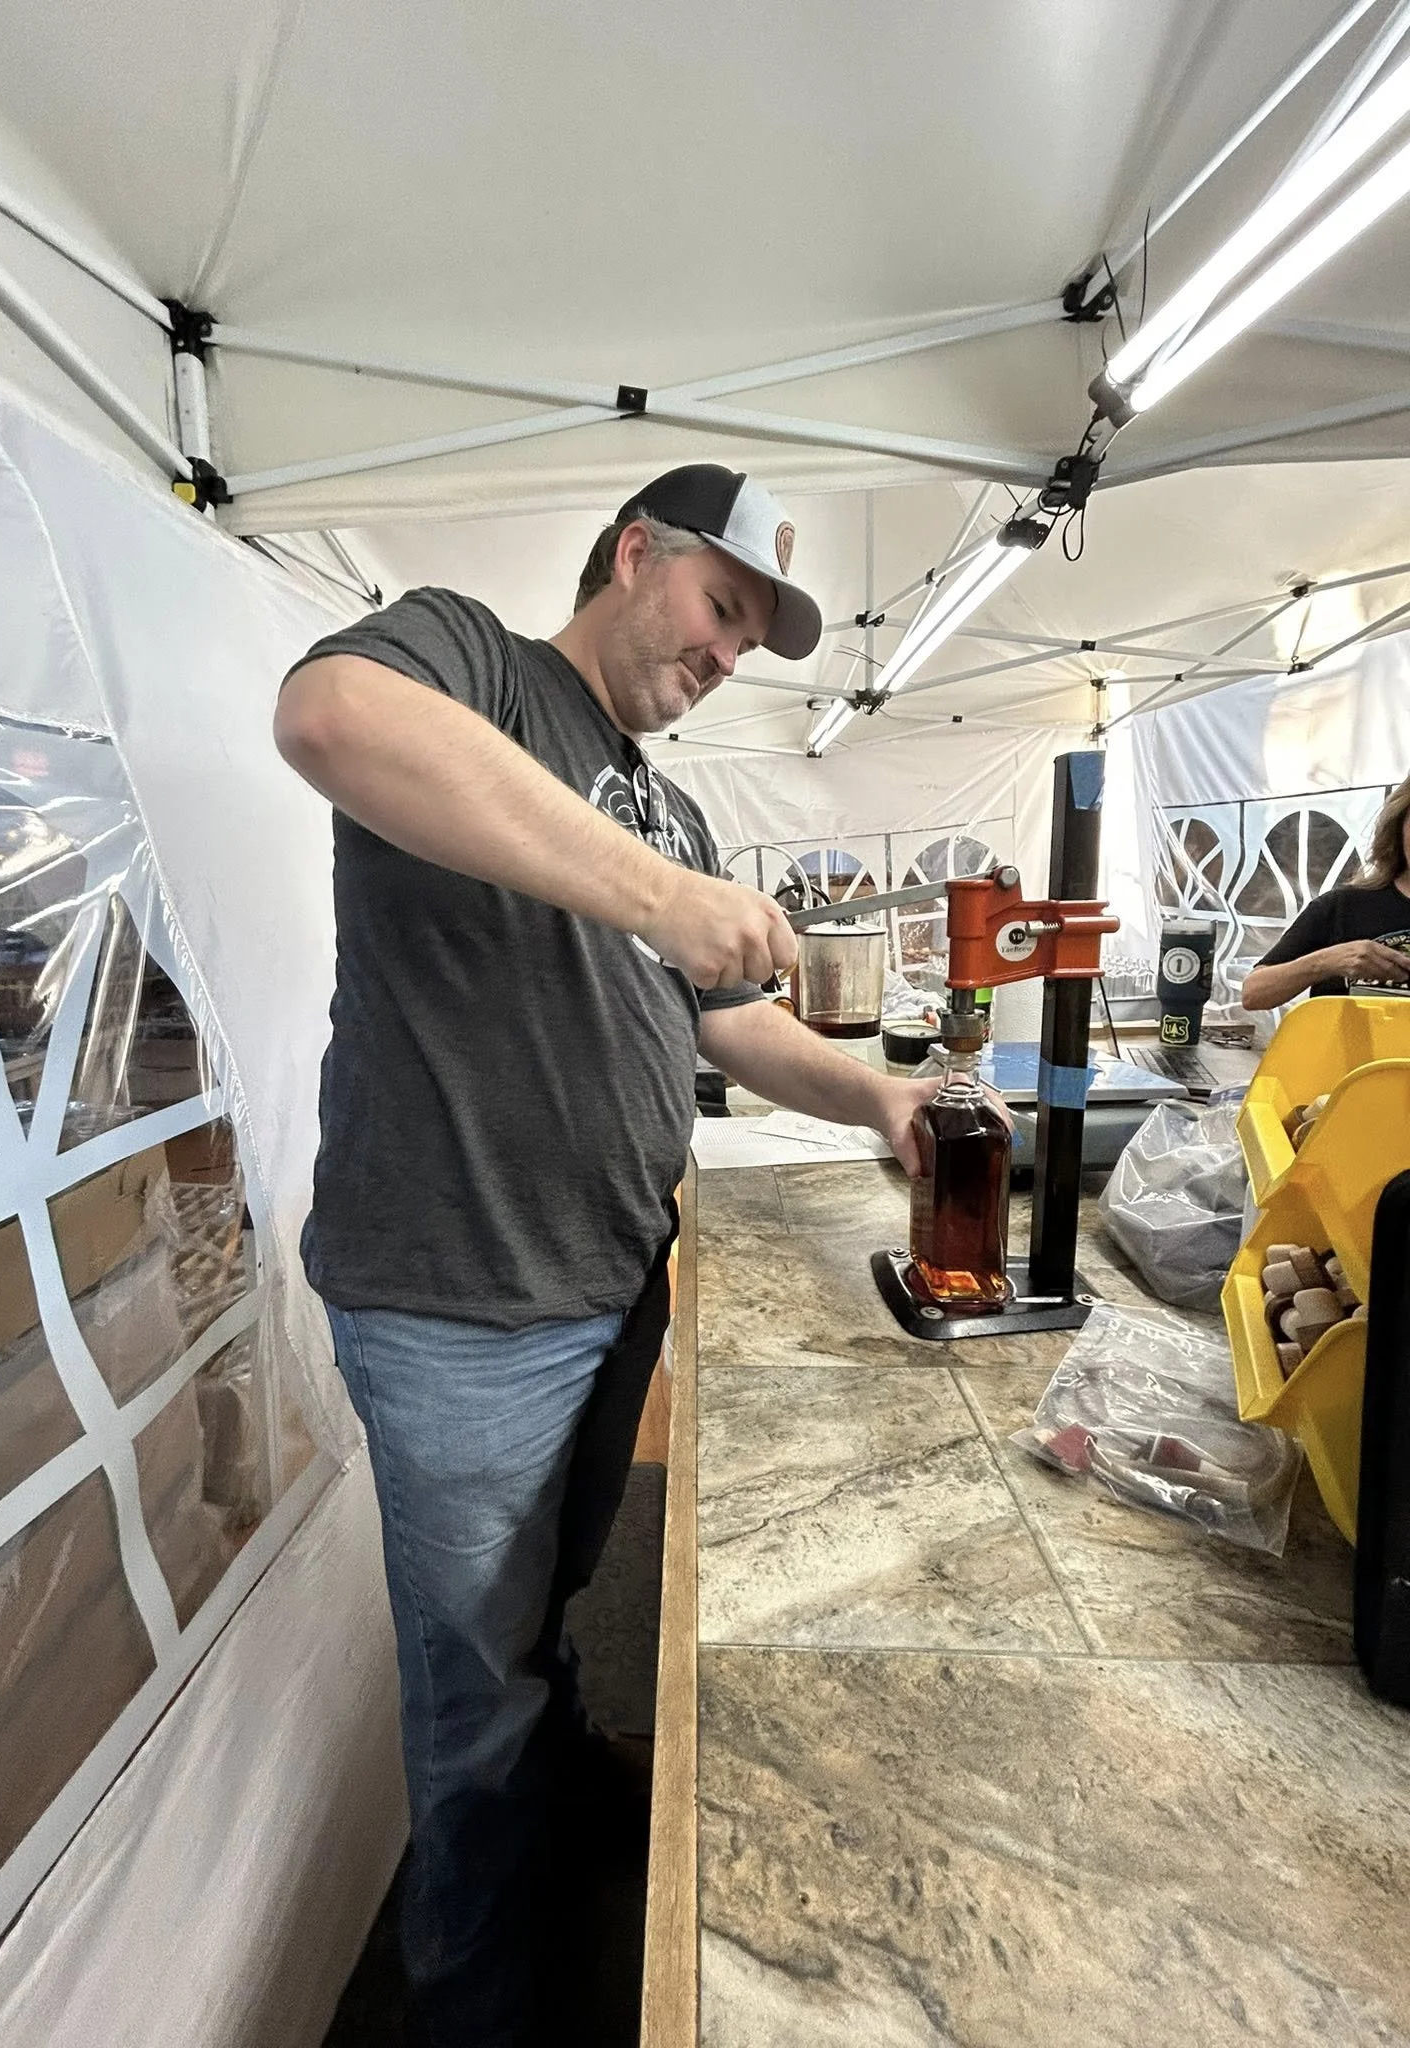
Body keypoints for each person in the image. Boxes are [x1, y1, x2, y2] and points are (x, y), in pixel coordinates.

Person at [274, 463, 940, 2048]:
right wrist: (658, 894)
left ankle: (561, 1831)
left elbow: (723, 1019)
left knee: (537, 1613)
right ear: (635, 553)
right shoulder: (469, 658)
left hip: (609, 1276)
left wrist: (879, 1097)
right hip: (464, 1303)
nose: (723, 655)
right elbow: (327, 724)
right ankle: (472, 2006)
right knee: (471, 1700)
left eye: (749, 639)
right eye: (719, 607)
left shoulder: (672, 799)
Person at [1241, 771, 1410, 1009]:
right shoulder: (1343, 906)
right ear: (1398, 825)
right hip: (1344, 1047)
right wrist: (1326, 961)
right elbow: (1254, 993)